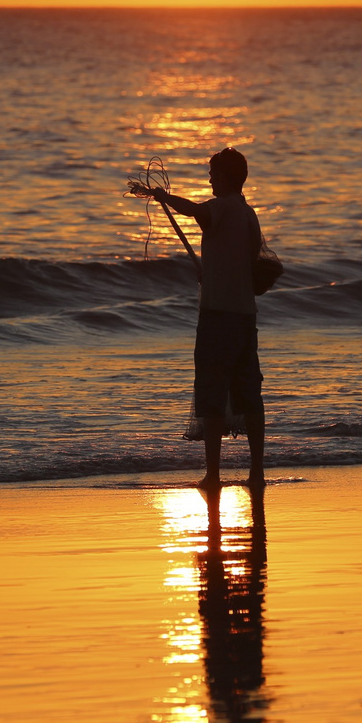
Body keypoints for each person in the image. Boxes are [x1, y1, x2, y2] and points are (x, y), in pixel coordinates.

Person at [149, 148, 265, 491]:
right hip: (245, 316)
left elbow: (197, 211)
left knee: (212, 393)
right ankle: (256, 472)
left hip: (218, 316)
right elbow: (243, 261)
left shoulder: (223, 207)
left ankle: (212, 475)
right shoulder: (248, 213)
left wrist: (163, 197)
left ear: (226, 176)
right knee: (249, 394)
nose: (209, 178)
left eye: (213, 172)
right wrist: (211, 273)